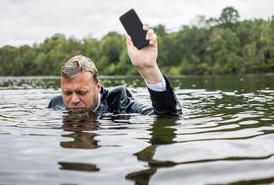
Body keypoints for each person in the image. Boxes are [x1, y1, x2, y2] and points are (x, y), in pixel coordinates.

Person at [48, 24, 181, 116]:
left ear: (98, 87)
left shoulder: (120, 103)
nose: (74, 100)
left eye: (81, 92)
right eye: (67, 93)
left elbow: (169, 116)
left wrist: (149, 69)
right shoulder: (56, 104)